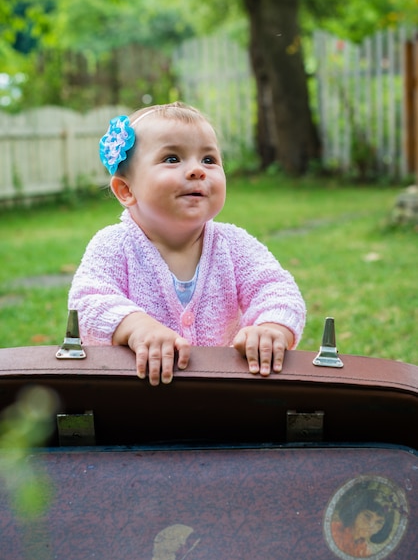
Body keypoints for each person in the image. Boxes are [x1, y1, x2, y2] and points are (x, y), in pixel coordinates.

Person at [69, 102, 306, 385]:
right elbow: (87, 302)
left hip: (224, 393)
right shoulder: (114, 245)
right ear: (126, 190)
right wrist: (137, 328)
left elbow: (277, 289)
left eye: (209, 159)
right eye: (172, 159)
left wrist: (271, 327)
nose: (197, 170)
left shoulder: (234, 245)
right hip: (138, 395)